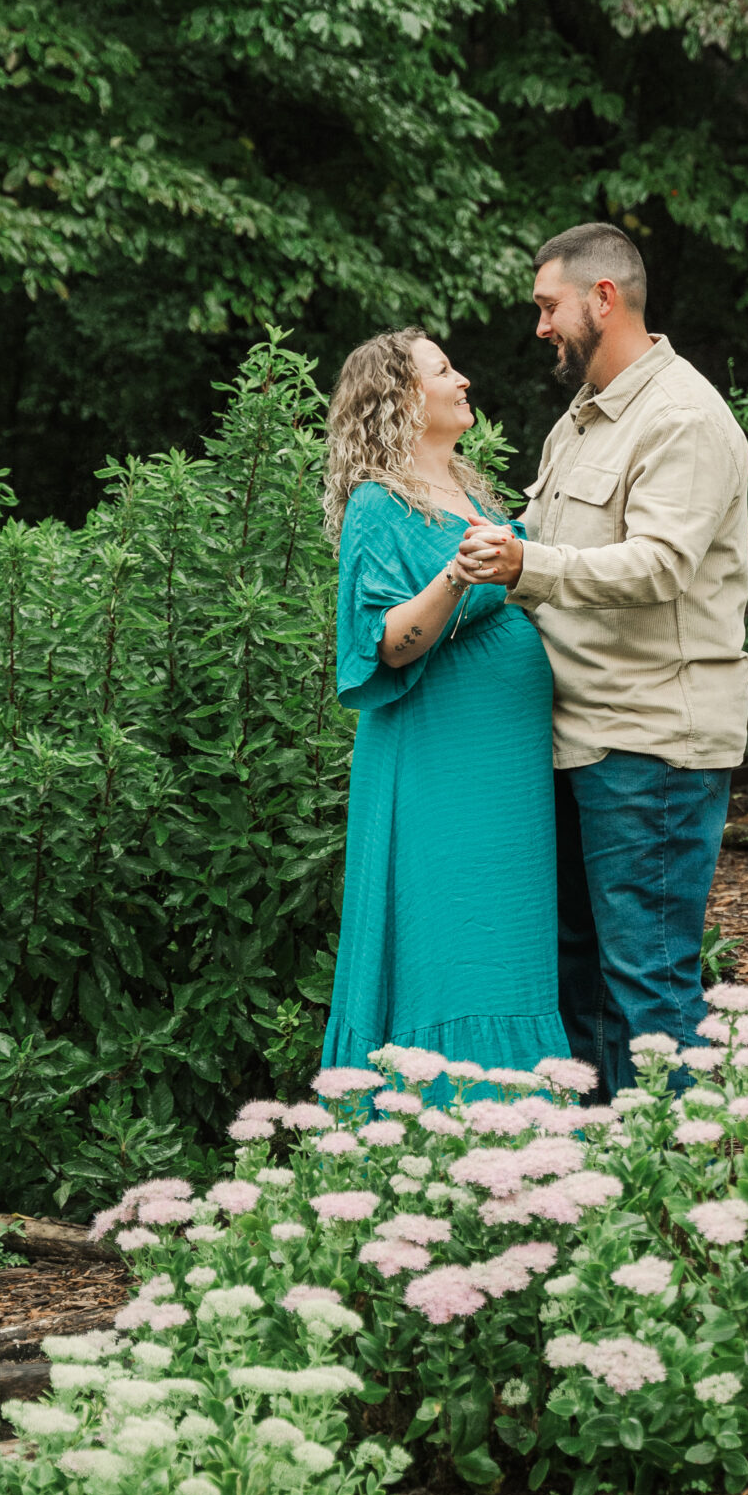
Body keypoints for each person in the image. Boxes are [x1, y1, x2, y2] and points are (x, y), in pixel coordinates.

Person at [457, 223, 748, 1099]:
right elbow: (540, 539)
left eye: (548, 305)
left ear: (604, 297)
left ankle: (678, 1167)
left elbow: (659, 565)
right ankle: (595, 1165)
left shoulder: (682, 418)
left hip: (649, 744)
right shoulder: (580, 420)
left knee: (647, 983)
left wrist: (524, 565)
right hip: (577, 738)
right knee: (578, 979)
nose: (540, 325)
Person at [317, 327, 570, 1080]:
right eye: (443, 369)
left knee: (509, 927)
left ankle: (523, 1111)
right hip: (440, 757)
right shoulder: (378, 505)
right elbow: (388, 643)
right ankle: (449, 1108)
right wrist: (455, 576)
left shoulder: (473, 492)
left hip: (505, 762)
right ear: (399, 397)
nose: (463, 380)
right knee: (455, 928)